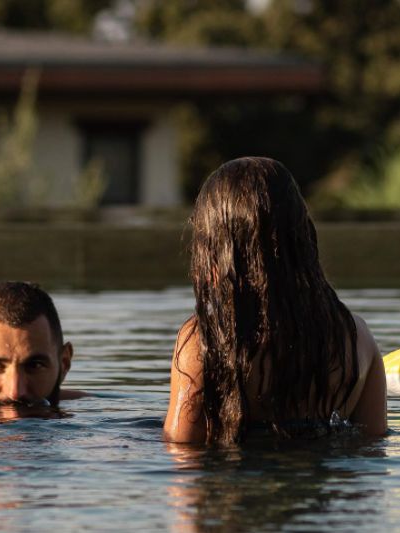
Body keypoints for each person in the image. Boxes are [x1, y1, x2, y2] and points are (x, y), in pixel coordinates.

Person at [164, 157, 387, 445]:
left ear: (214, 248)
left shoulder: (203, 342)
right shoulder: (358, 339)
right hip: (321, 488)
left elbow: (181, 455)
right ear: (303, 237)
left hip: (232, 485)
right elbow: (371, 452)